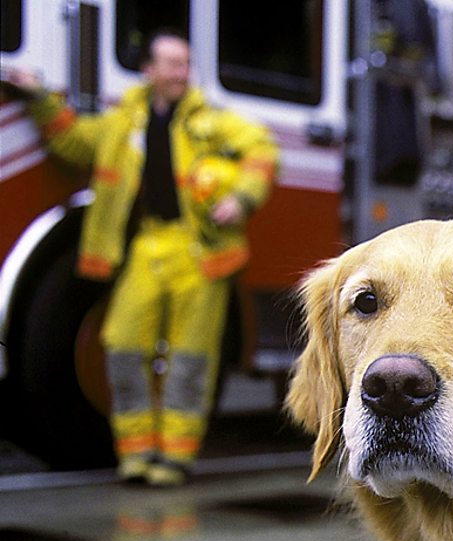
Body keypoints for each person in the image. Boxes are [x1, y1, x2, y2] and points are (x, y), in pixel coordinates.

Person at [9, 29, 278, 485]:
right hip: (148, 246)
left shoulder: (211, 120)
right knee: (122, 343)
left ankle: (175, 457)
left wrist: (242, 197)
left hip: (201, 253)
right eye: (171, 64)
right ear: (149, 70)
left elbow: (263, 152)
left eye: (185, 65)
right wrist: (39, 98)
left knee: (190, 357)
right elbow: (73, 142)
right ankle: (134, 453)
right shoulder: (123, 122)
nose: (180, 73)